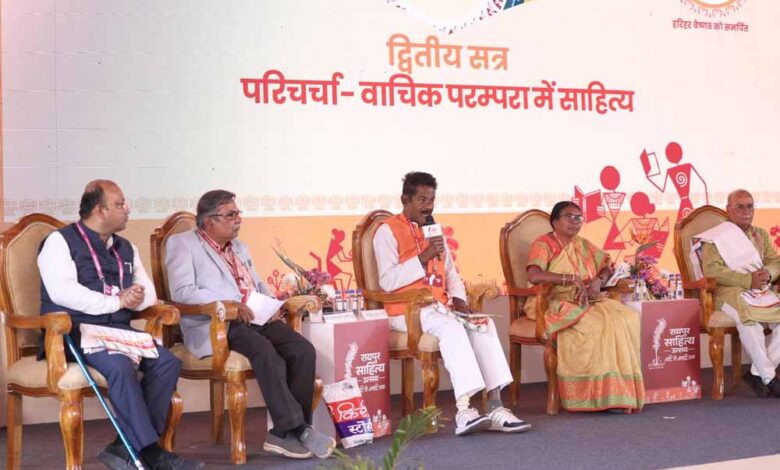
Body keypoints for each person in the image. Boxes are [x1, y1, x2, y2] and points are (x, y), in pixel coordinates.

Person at [38, 180, 202, 470]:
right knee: (121, 366)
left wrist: (136, 298)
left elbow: (147, 293)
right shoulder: (59, 241)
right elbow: (62, 292)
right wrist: (116, 302)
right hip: (76, 331)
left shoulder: (126, 247)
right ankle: (150, 452)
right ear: (100, 211)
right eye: (120, 204)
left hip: (119, 332)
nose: (127, 209)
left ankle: (122, 447)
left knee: (167, 362)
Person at [165, 190, 335, 459]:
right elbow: (182, 292)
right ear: (209, 221)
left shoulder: (239, 247)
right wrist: (229, 303)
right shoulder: (182, 244)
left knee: (302, 350)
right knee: (265, 352)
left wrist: (275, 305)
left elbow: (257, 283)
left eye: (238, 213)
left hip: (255, 316)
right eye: (230, 215)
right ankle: (298, 430)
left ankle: (285, 434)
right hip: (218, 322)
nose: (238, 219)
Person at [373, 172, 530, 436]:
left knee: (483, 324)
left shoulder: (435, 231)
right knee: (451, 329)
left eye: (431, 199)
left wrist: (459, 299)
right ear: (405, 199)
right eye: (422, 199)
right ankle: (464, 410)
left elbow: (450, 274)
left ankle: (495, 407)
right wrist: (423, 257)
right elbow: (387, 281)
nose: (428, 206)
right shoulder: (387, 231)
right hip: (405, 310)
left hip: (439, 308)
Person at [525, 201, 645, 412]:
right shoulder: (544, 244)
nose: (575, 221)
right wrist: (570, 279)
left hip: (585, 300)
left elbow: (607, 265)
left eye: (578, 218)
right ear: (555, 222)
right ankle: (591, 396)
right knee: (596, 324)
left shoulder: (582, 244)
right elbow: (534, 276)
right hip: (553, 301)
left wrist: (598, 280)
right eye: (569, 217)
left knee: (627, 317)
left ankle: (617, 393)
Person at [697, 189, 780, 397]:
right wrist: (747, 280)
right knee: (749, 323)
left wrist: (767, 274)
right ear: (728, 210)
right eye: (739, 207)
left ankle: (756, 373)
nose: (746, 211)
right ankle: (769, 377)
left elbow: (775, 262)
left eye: (750, 206)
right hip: (729, 292)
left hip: (760, 290)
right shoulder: (716, 238)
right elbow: (712, 270)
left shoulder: (760, 234)